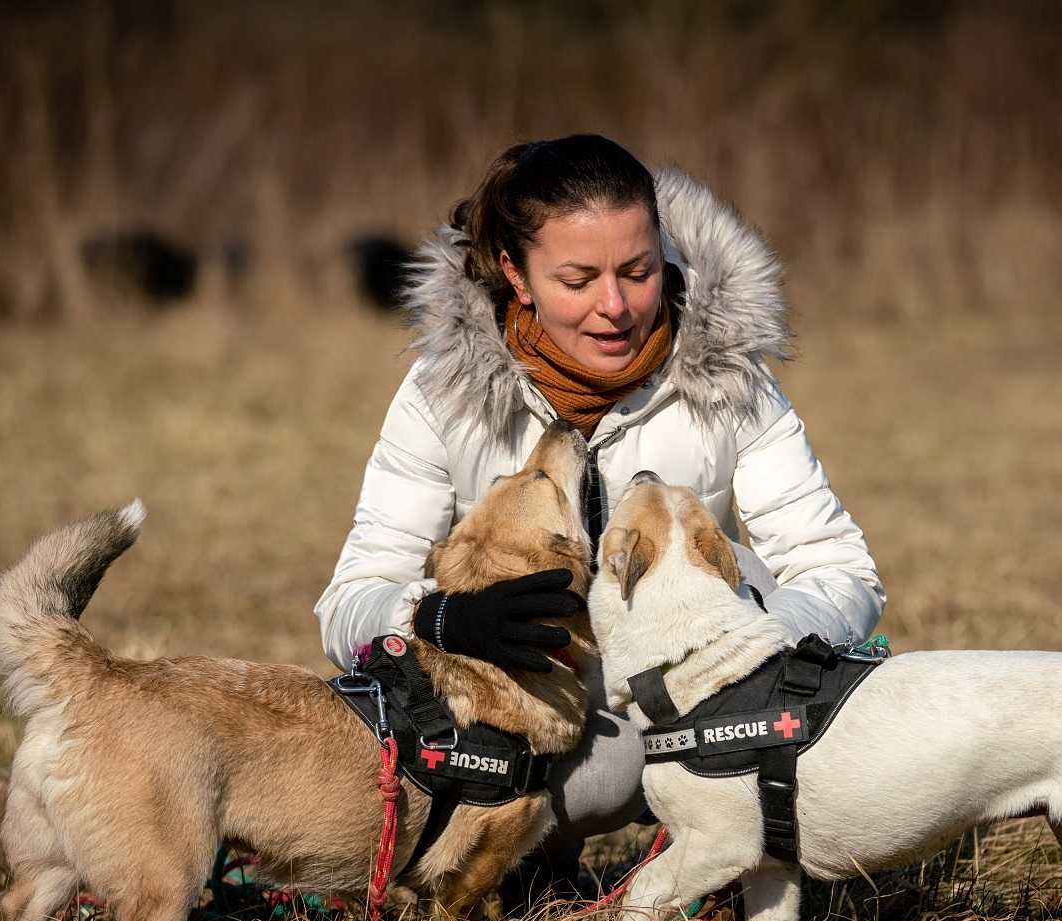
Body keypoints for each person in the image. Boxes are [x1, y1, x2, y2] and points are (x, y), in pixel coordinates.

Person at [315, 133, 884, 853]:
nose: (615, 306)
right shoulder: (440, 392)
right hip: (520, 720)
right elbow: (348, 602)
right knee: (589, 777)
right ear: (516, 276)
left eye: (639, 271)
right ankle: (514, 848)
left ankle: (735, 843)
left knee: (744, 574)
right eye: (578, 280)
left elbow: (839, 573)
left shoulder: (732, 377)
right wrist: (437, 618)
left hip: (702, 698)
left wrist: (748, 655)